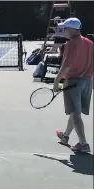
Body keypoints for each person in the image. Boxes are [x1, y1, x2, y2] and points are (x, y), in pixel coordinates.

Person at [53, 18, 93, 153]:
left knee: (75, 114)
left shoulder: (71, 44)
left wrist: (56, 81)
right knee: (75, 111)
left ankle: (83, 144)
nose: (63, 31)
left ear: (72, 29)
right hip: (87, 81)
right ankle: (65, 136)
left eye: (65, 28)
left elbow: (66, 66)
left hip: (73, 82)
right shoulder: (90, 43)